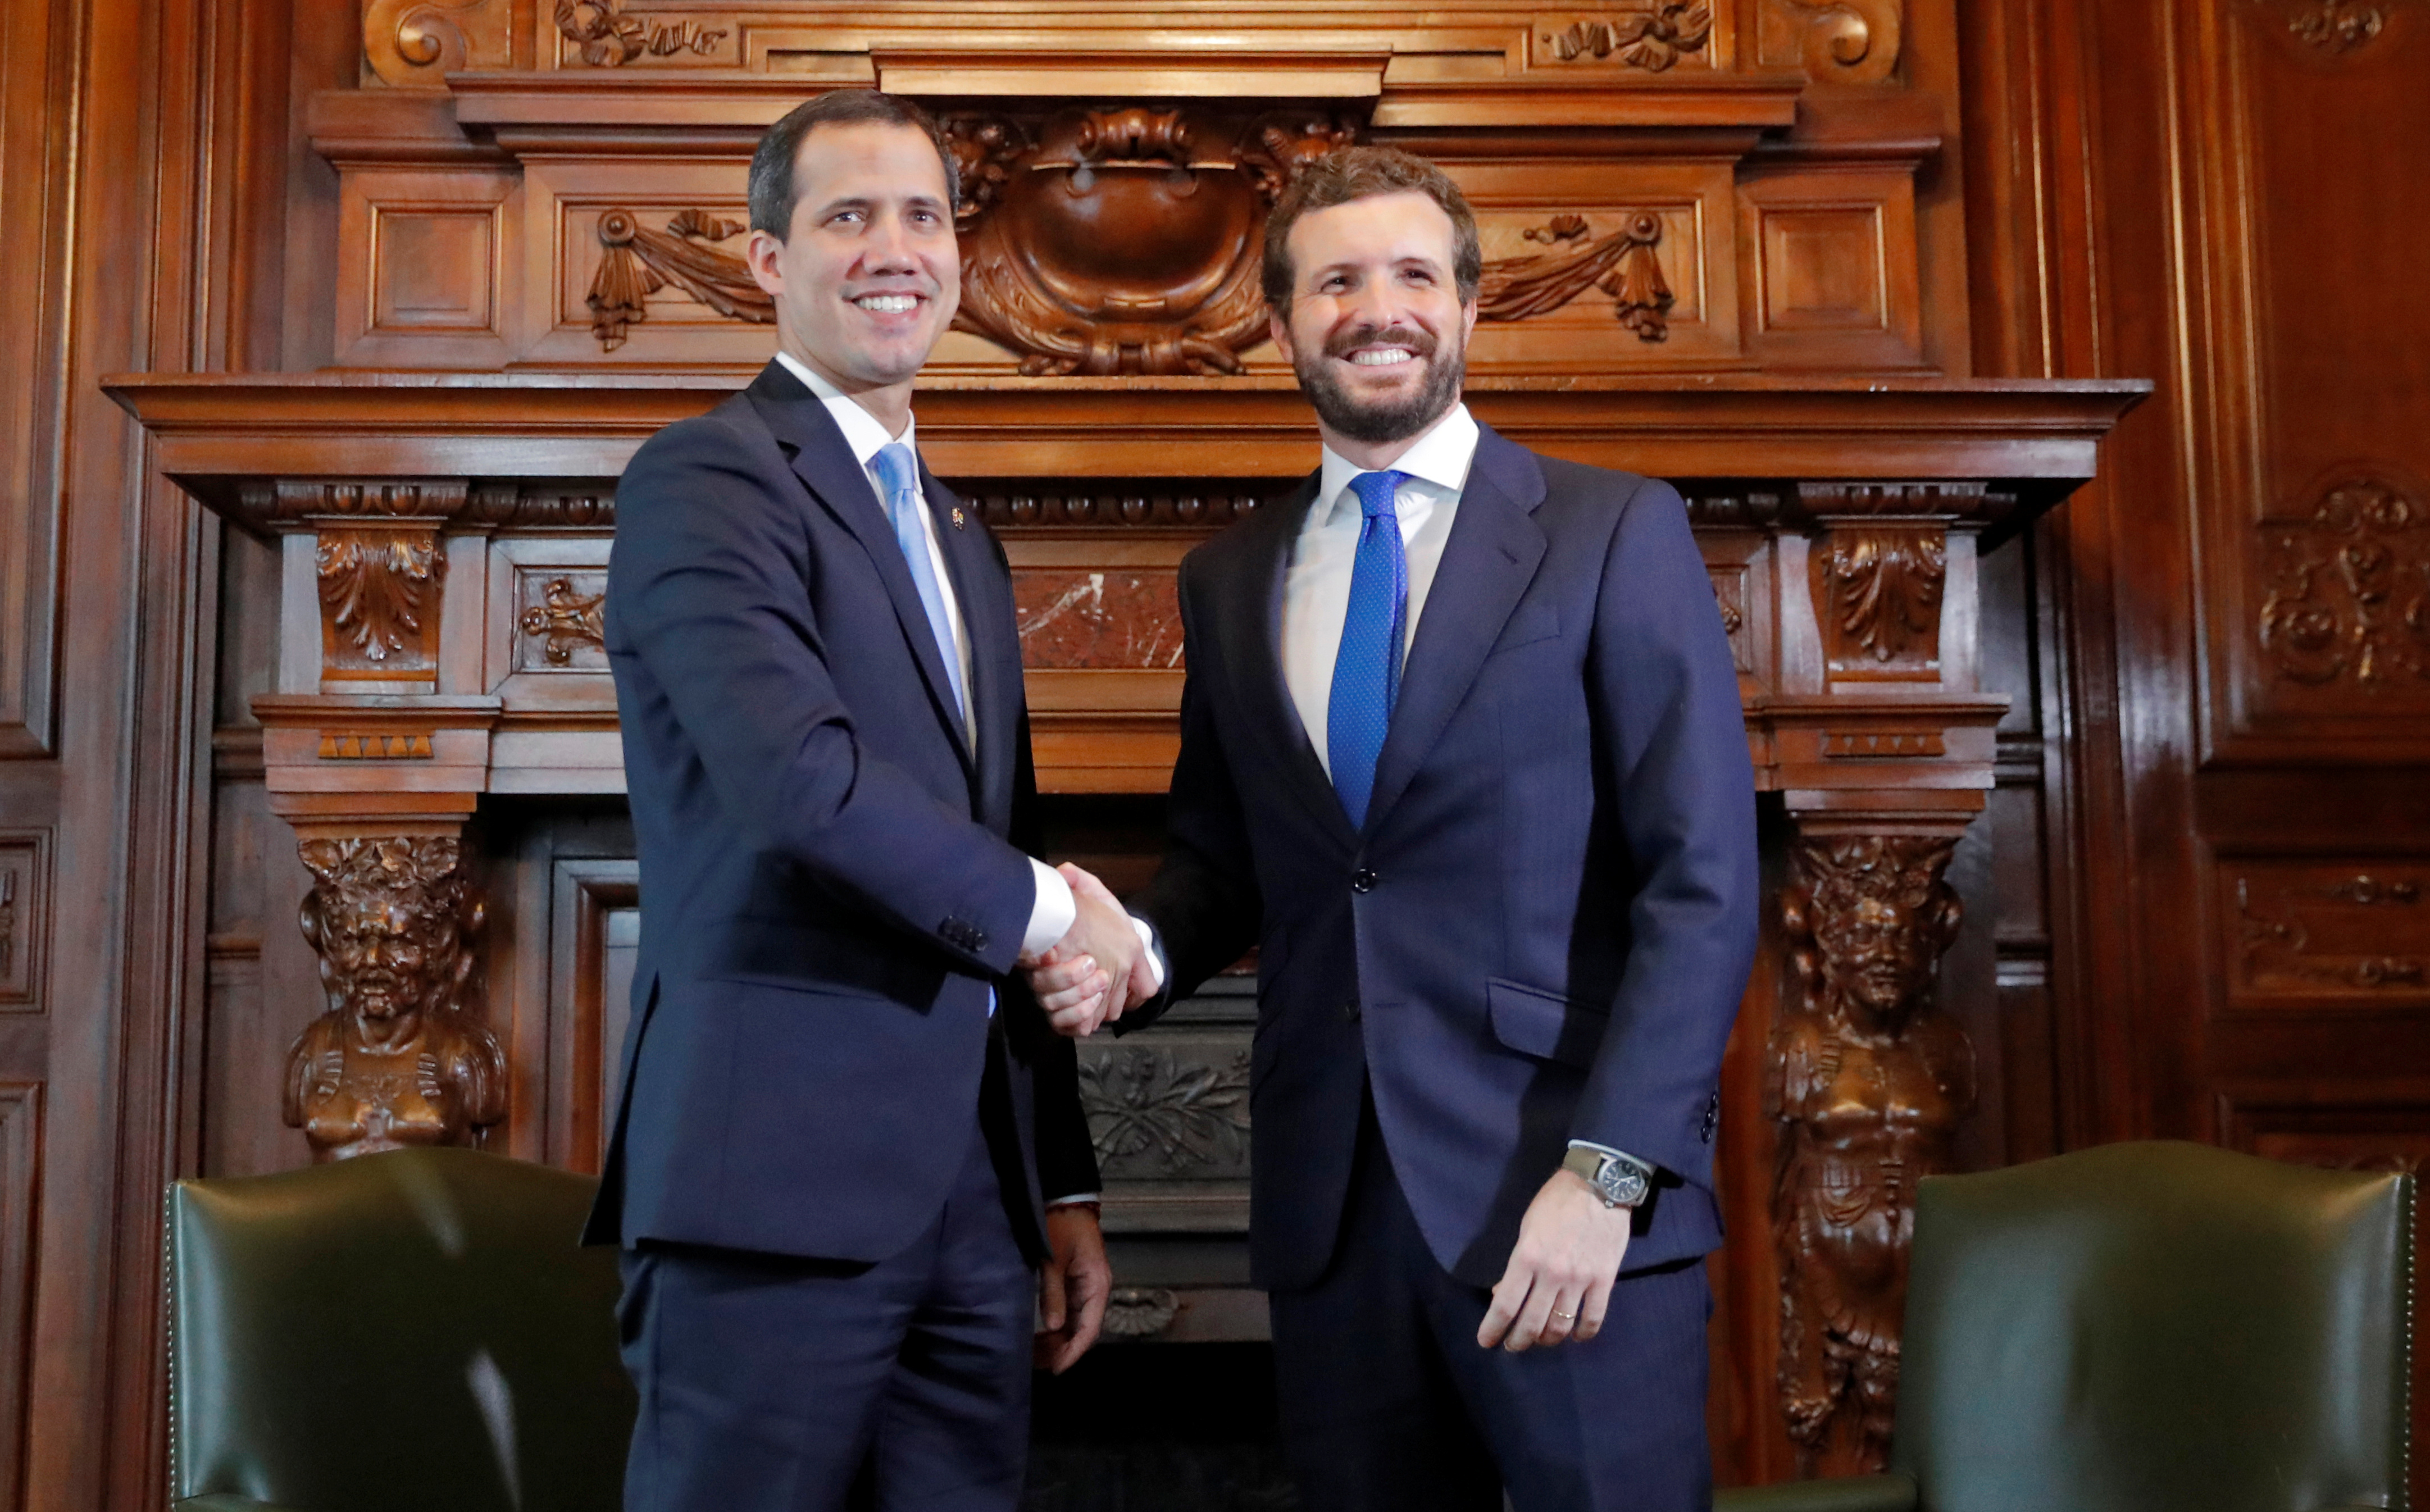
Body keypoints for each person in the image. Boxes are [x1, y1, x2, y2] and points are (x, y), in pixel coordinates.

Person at [1030, 145, 1759, 1511]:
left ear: (1469, 309)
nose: (1381, 308)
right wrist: (1132, 948)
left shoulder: (1611, 533)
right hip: (1334, 1222)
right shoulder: (1232, 577)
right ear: (1284, 322)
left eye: (1415, 274)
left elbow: (1703, 883)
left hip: (1566, 1206)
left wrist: (1607, 1174)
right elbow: (1227, 863)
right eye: (1339, 281)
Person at [584, 89, 1147, 1512]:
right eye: (848, 215)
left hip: (974, 1203)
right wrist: (1061, 913)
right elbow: (801, 784)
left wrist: (1059, 1181)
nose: (893, 247)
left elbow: (991, 838)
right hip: (771, 1192)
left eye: (922, 215)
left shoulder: (962, 535)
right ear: (771, 260)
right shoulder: (703, 480)